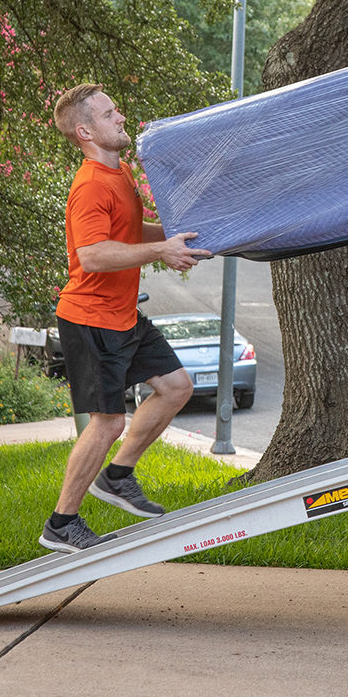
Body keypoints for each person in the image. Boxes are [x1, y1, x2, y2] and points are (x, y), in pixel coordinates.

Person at [39, 84, 212, 553]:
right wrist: (160, 250)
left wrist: (179, 238)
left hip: (122, 317)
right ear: (85, 130)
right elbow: (93, 255)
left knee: (176, 386)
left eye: (116, 110)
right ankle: (61, 523)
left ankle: (117, 476)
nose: (120, 118)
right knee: (107, 422)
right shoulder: (91, 184)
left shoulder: (119, 177)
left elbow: (130, 233)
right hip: (90, 320)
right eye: (109, 113)